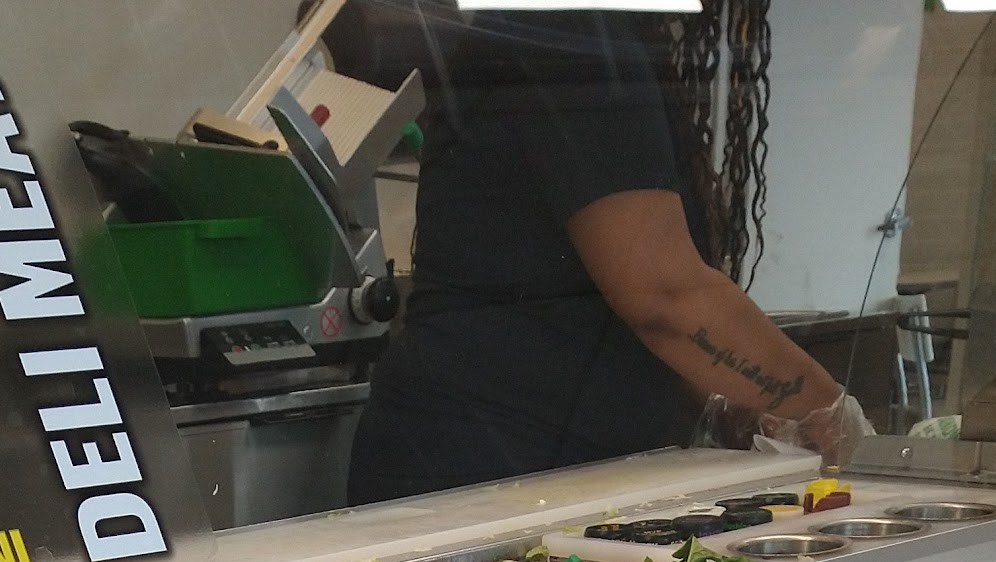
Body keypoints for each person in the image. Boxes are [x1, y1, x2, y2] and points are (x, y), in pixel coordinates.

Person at [342, 0, 866, 505]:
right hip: (481, 467)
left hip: (527, 462)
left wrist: (732, 405)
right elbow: (663, 296)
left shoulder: (580, 34)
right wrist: (829, 415)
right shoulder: (571, 33)